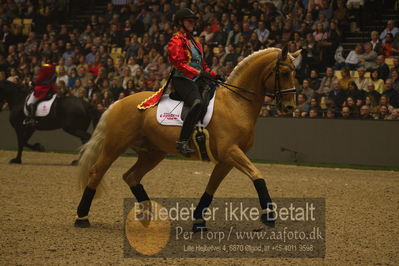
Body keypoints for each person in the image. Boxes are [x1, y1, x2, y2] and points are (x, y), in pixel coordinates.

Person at [167, 8, 216, 157]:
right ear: (181, 22)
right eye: (189, 21)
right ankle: (182, 141)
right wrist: (199, 73)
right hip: (181, 79)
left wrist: (214, 74)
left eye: (194, 21)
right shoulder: (175, 40)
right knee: (197, 102)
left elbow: (203, 65)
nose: (192, 24)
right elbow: (178, 63)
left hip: (196, 79)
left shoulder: (196, 43)